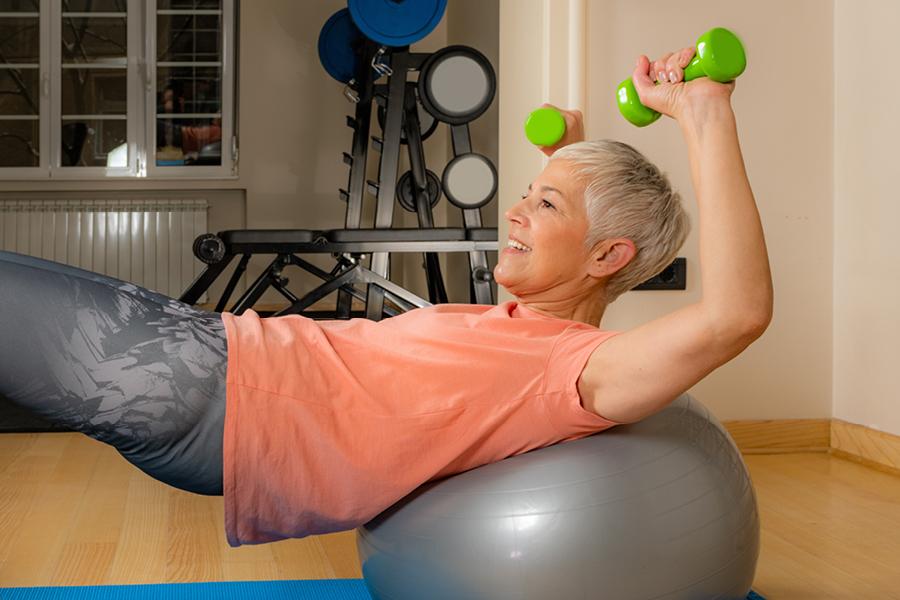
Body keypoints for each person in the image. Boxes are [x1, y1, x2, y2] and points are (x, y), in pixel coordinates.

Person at [0, 45, 772, 547]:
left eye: (543, 205)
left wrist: (705, 113)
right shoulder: (519, 326)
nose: (514, 209)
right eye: (527, 194)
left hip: (203, 390)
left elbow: (735, 315)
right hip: (203, 352)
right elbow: (559, 243)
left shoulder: (582, 367)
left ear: (609, 255)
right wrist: (562, 156)